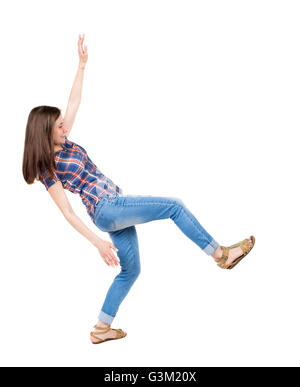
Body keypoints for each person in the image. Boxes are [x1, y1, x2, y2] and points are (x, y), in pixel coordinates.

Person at [22, 34, 255, 345]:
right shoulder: (47, 168)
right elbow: (66, 213)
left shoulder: (66, 140)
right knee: (174, 206)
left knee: (131, 271)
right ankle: (220, 254)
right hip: (106, 209)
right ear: (45, 132)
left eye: (64, 123)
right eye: (60, 125)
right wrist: (97, 244)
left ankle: (101, 327)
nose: (66, 126)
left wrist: (81, 65)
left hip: (114, 204)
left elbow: (74, 101)